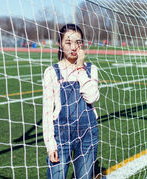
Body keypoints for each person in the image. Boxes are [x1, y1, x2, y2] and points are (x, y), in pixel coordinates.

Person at [42, 24, 100, 179]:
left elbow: (92, 97)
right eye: (68, 42)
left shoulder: (90, 69)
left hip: (88, 134)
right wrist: (50, 144)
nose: (74, 47)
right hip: (61, 135)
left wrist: (80, 68)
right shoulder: (52, 72)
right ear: (60, 44)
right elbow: (47, 112)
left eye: (78, 42)